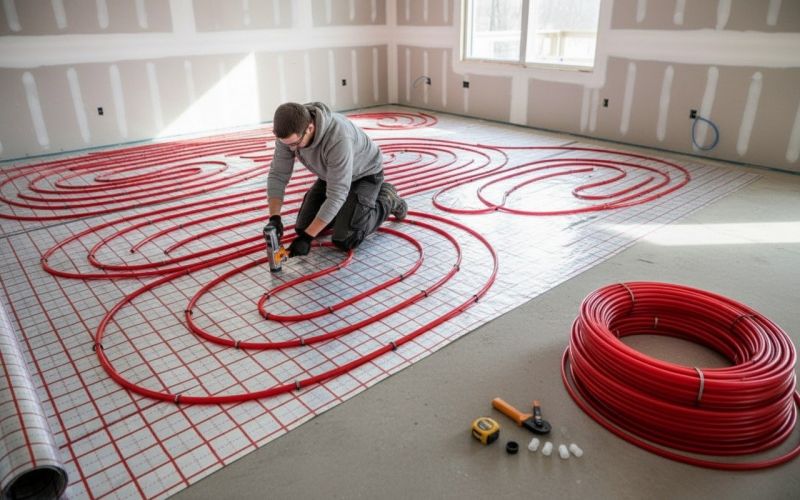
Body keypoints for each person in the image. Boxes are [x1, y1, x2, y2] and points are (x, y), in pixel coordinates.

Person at [265, 102, 408, 257]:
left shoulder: (338, 138)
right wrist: (274, 217)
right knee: (302, 228)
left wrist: (307, 238)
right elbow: (278, 175)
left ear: (310, 128)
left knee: (346, 239)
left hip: (365, 174)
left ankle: (388, 198)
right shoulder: (289, 134)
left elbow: (337, 194)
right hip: (332, 175)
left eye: (295, 144)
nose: (292, 149)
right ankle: (349, 209)